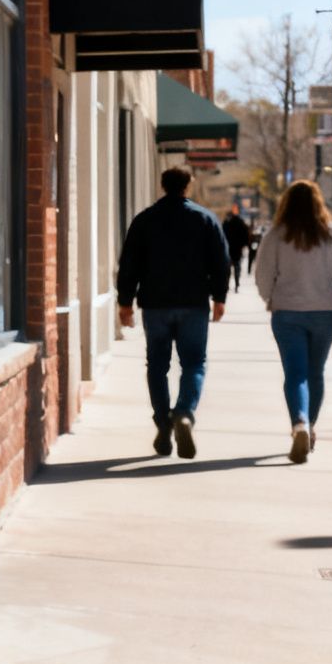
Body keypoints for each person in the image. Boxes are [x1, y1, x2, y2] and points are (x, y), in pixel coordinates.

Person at [115, 166, 230, 459]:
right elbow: (220, 261)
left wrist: (125, 302)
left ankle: (163, 423)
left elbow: (129, 263)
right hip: (193, 303)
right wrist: (219, 297)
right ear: (188, 186)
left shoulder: (144, 220)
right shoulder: (205, 219)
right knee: (194, 363)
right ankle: (184, 413)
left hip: (155, 305)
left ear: (163, 186)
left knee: (157, 365)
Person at [253, 181, 332, 464]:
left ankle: (298, 422)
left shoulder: (276, 235)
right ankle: (308, 427)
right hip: (324, 311)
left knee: (295, 373)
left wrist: (270, 298)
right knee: (315, 373)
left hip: (286, 312)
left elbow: (262, 274)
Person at [221, 206, 252, 291]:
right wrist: (245, 244)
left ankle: (227, 284)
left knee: (228, 267)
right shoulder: (240, 223)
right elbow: (246, 234)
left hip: (228, 248)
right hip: (237, 248)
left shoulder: (226, 223)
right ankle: (237, 283)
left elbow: (222, 235)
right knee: (237, 265)